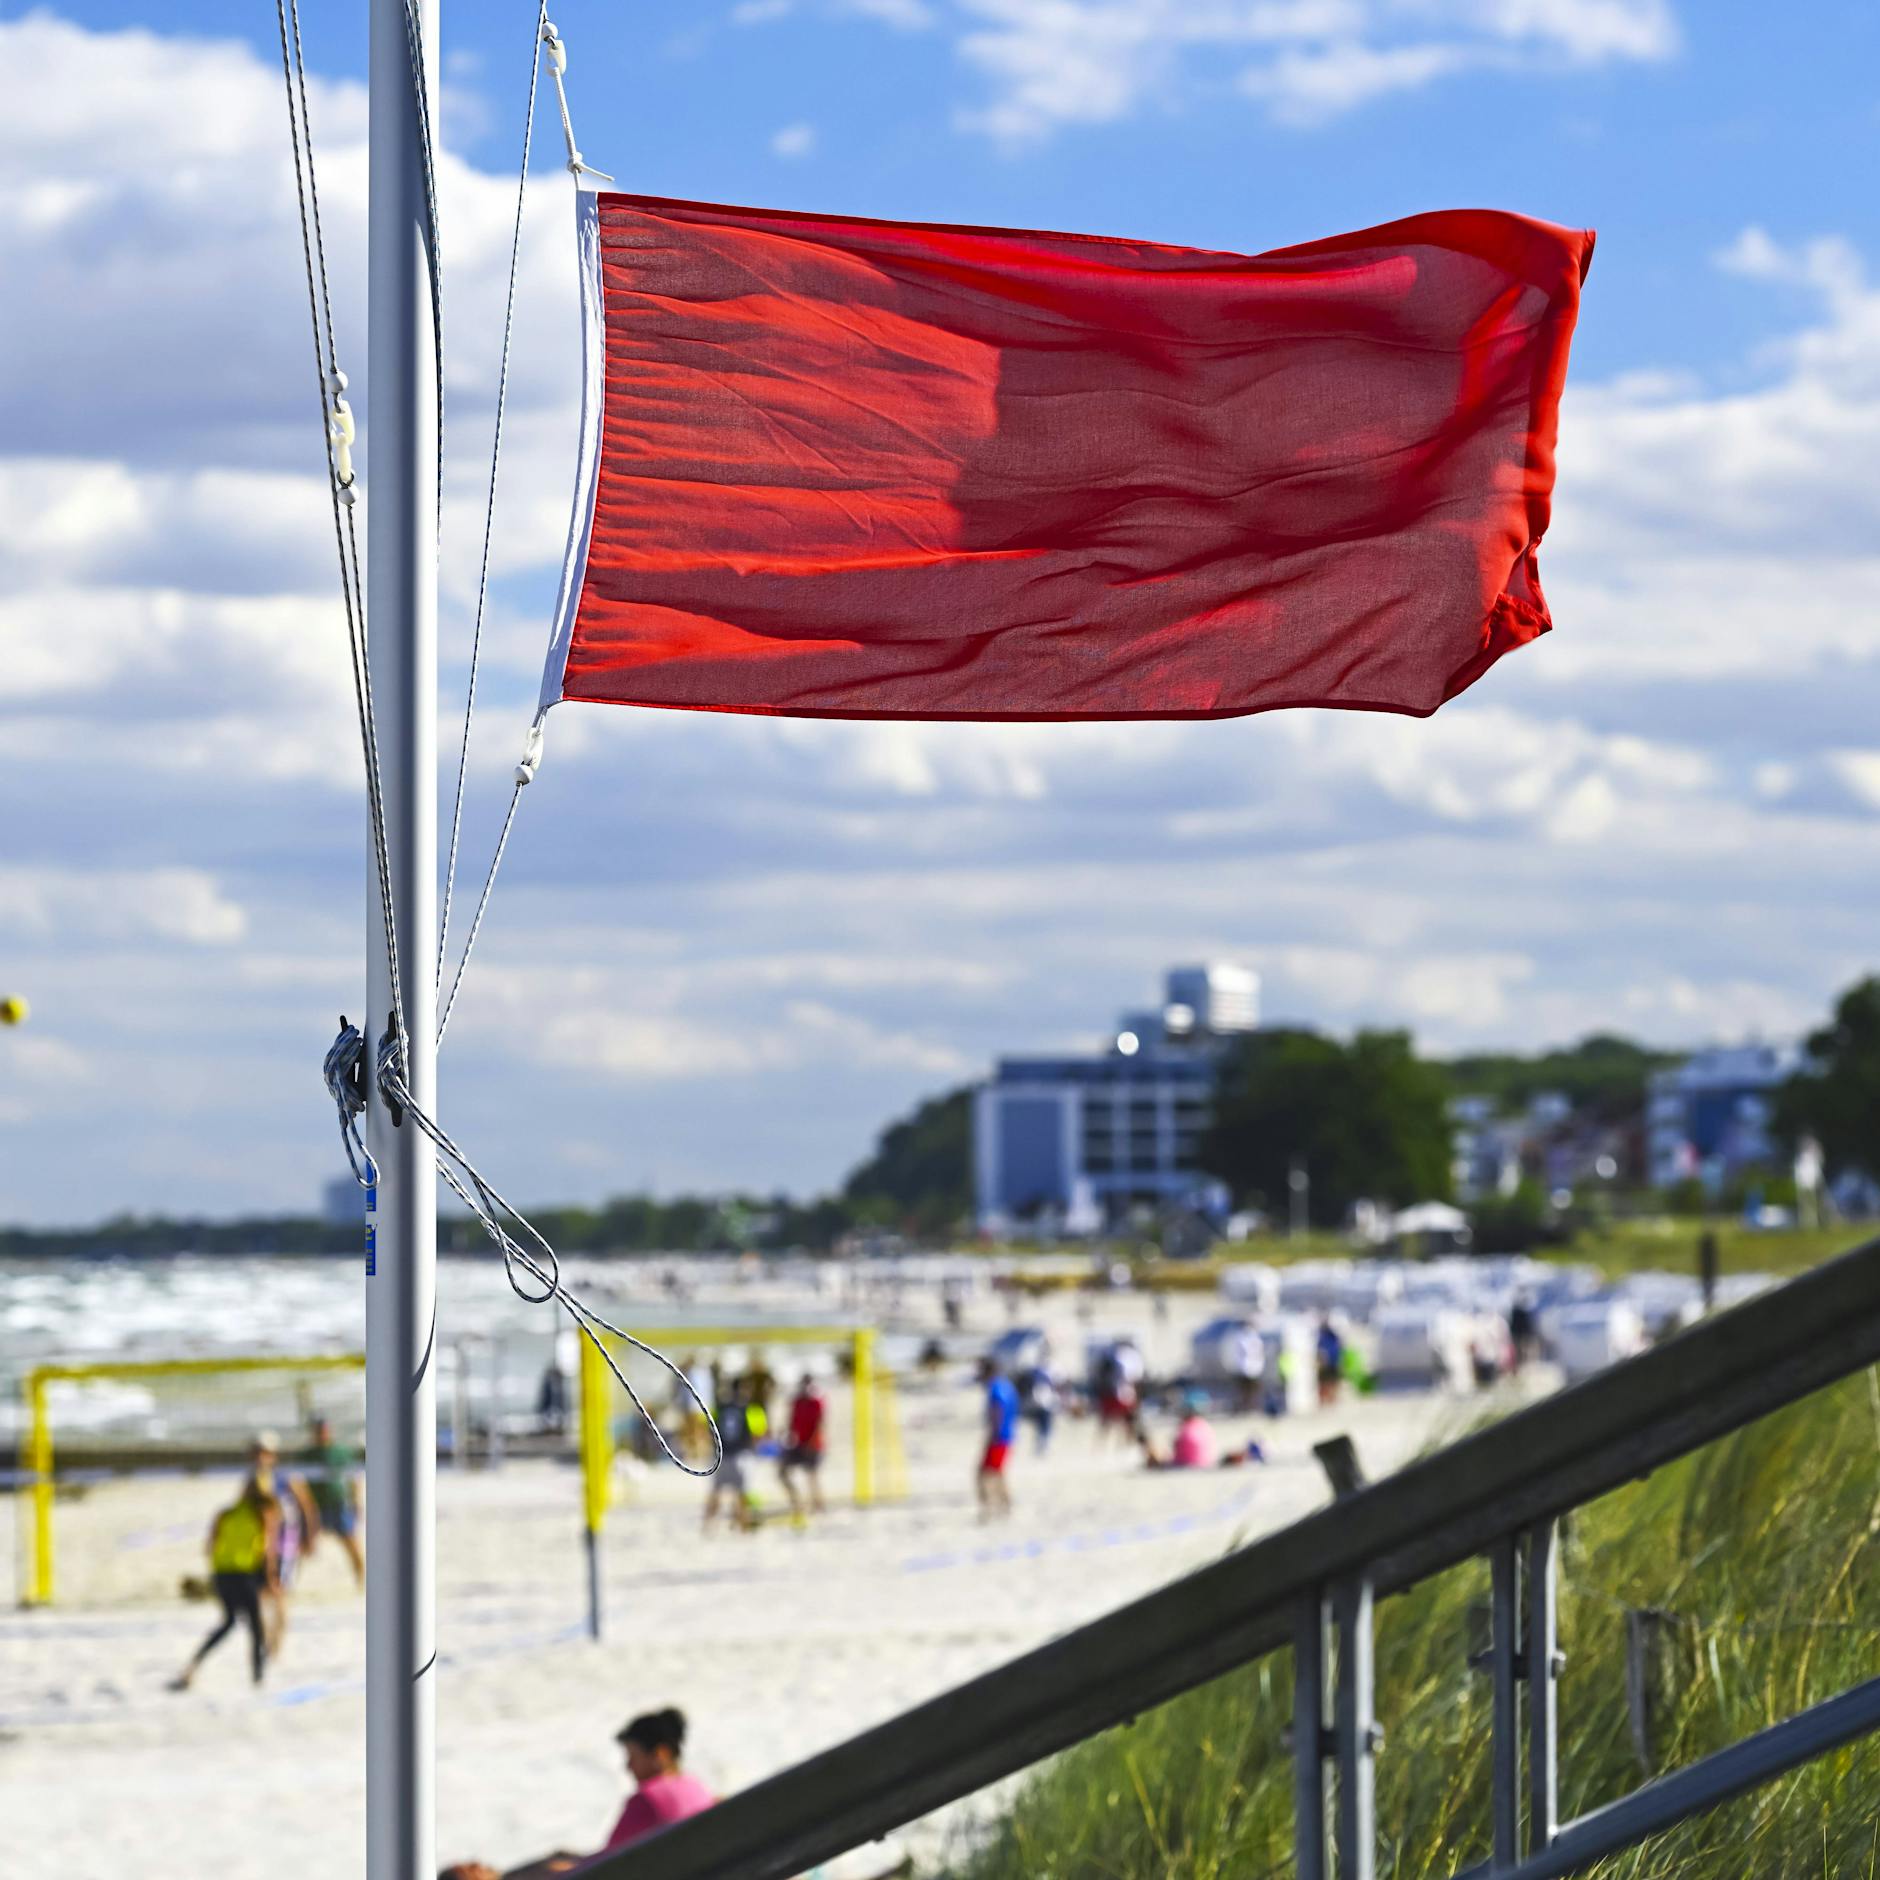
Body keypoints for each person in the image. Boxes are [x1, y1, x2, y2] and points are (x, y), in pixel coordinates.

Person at [171, 1471, 279, 1689]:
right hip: (245, 1575)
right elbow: (266, 1551)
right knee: (256, 1626)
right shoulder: (263, 1515)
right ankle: (258, 1677)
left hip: (223, 1575)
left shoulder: (225, 1513)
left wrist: (215, 1574)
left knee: (229, 1622)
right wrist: (271, 1578)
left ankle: (193, 1665)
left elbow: (209, 1546)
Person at [601, 1708, 716, 1852]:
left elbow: (607, 1861)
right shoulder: (696, 1786)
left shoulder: (647, 1800)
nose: (628, 1766)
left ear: (661, 1754)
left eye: (632, 1757)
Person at [251, 1431, 321, 1660]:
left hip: (285, 1543)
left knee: (279, 1592)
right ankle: (269, 1643)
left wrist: (310, 1537)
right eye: (256, 1452)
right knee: (262, 1593)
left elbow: (307, 1507)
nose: (260, 1457)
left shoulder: (286, 1477)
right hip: (260, 1544)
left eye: (264, 1453)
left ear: (273, 1455)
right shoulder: (253, 1480)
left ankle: (275, 1647)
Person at [305, 1414, 365, 1587]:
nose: (321, 1433)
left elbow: (354, 1477)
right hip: (315, 1506)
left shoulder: (341, 1452)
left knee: (350, 1542)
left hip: (338, 1503)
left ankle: (361, 1577)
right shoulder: (307, 1454)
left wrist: (356, 1501)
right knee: (301, 1544)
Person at [702, 1379, 758, 1533]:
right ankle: (743, 1526)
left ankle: (707, 1526)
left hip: (721, 1456)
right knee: (741, 1494)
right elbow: (757, 1433)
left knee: (716, 1492)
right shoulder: (749, 1408)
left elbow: (710, 1429)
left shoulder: (720, 1407)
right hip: (740, 1455)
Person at [779, 1372, 828, 1521]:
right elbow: (791, 1421)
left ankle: (817, 1504)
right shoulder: (797, 1401)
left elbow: (820, 1424)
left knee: (812, 1475)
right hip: (799, 1444)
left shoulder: (817, 1401)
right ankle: (798, 1501)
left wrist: (812, 1443)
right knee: (783, 1472)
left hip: (813, 1445)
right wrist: (787, 1436)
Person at [977, 1359, 1020, 1520]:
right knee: (998, 1472)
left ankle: (989, 1509)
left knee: (986, 1474)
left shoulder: (996, 1388)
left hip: (999, 1436)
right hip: (1008, 1435)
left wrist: (993, 1434)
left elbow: (997, 1410)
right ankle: (1005, 1505)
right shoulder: (1007, 1386)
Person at [1019, 1361, 1057, 1454]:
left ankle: (1043, 1445)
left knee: (1045, 1426)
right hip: (1040, 1403)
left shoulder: (1046, 1374)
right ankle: (1041, 1445)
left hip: (1044, 1403)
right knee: (1043, 1426)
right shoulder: (1037, 1375)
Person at [1315, 1316, 1345, 1406]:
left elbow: (1339, 1348)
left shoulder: (1330, 1336)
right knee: (1325, 1382)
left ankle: (1330, 1399)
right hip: (1327, 1362)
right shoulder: (1324, 1336)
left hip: (1332, 1361)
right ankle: (1326, 1399)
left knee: (1331, 1382)